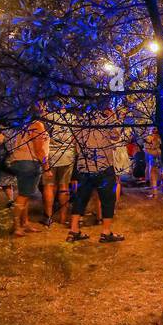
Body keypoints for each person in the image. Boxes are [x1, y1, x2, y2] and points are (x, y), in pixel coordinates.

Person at [67, 106, 124, 243]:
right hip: (103, 167)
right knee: (108, 199)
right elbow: (116, 136)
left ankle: (74, 231)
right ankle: (106, 232)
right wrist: (114, 118)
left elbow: (74, 141)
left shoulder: (79, 122)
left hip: (84, 167)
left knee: (80, 198)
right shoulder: (105, 120)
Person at [7, 105, 49, 237]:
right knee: (23, 196)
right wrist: (46, 167)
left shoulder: (23, 125)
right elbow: (39, 149)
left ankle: (24, 223)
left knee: (24, 194)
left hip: (20, 161)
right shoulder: (37, 125)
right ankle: (17, 226)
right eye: (43, 107)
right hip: (30, 162)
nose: (45, 109)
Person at [39, 101, 76, 228]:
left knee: (49, 186)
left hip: (50, 155)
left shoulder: (47, 118)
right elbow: (74, 139)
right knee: (64, 187)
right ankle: (63, 218)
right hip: (67, 155)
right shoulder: (73, 118)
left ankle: (48, 217)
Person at [144, 126, 163, 200]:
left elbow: (147, 149)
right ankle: (156, 194)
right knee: (156, 175)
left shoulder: (157, 138)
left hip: (158, 158)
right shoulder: (162, 137)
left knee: (162, 176)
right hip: (157, 158)